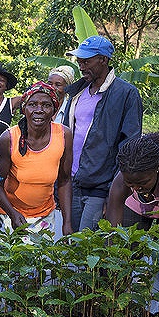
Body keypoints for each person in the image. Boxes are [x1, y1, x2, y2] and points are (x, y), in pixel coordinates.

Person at [64, 35, 143, 231]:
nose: (81, 66)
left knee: (88, 246)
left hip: (100, 186)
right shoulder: (77, 92)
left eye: (86, 61)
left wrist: (114, 193)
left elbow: (129, 146)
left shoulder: (126, 94)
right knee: (71, 245)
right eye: (79, 61)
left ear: (104, 60)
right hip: (72, 183)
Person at [0, 81, 73, 235]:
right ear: (24, 109)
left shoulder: (64, 135)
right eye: (33, 104)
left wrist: (67, 222)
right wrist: (12, 213)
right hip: (10, 215)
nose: (39, 110)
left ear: (54, 110)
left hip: (44, 216)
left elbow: (65, 181)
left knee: (42, 258)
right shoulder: (9, 138)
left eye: (46, 105)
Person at [106, 133, 159, 232]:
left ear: (158, 168)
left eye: (143, 182)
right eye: (130, 184)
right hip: (137, 206)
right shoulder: (127, 170)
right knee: (130, 241)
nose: (136, 188)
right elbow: (112, 228)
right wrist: (112, 244)